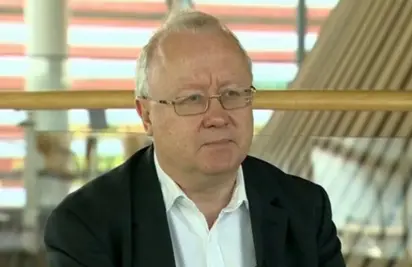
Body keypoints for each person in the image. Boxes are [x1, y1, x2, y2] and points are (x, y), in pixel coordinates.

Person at [44, 9, 345, 267]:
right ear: (146, 115)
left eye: (232, 94)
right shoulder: (85, 224)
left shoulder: (305, 209)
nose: (217, 117)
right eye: (192, 99)